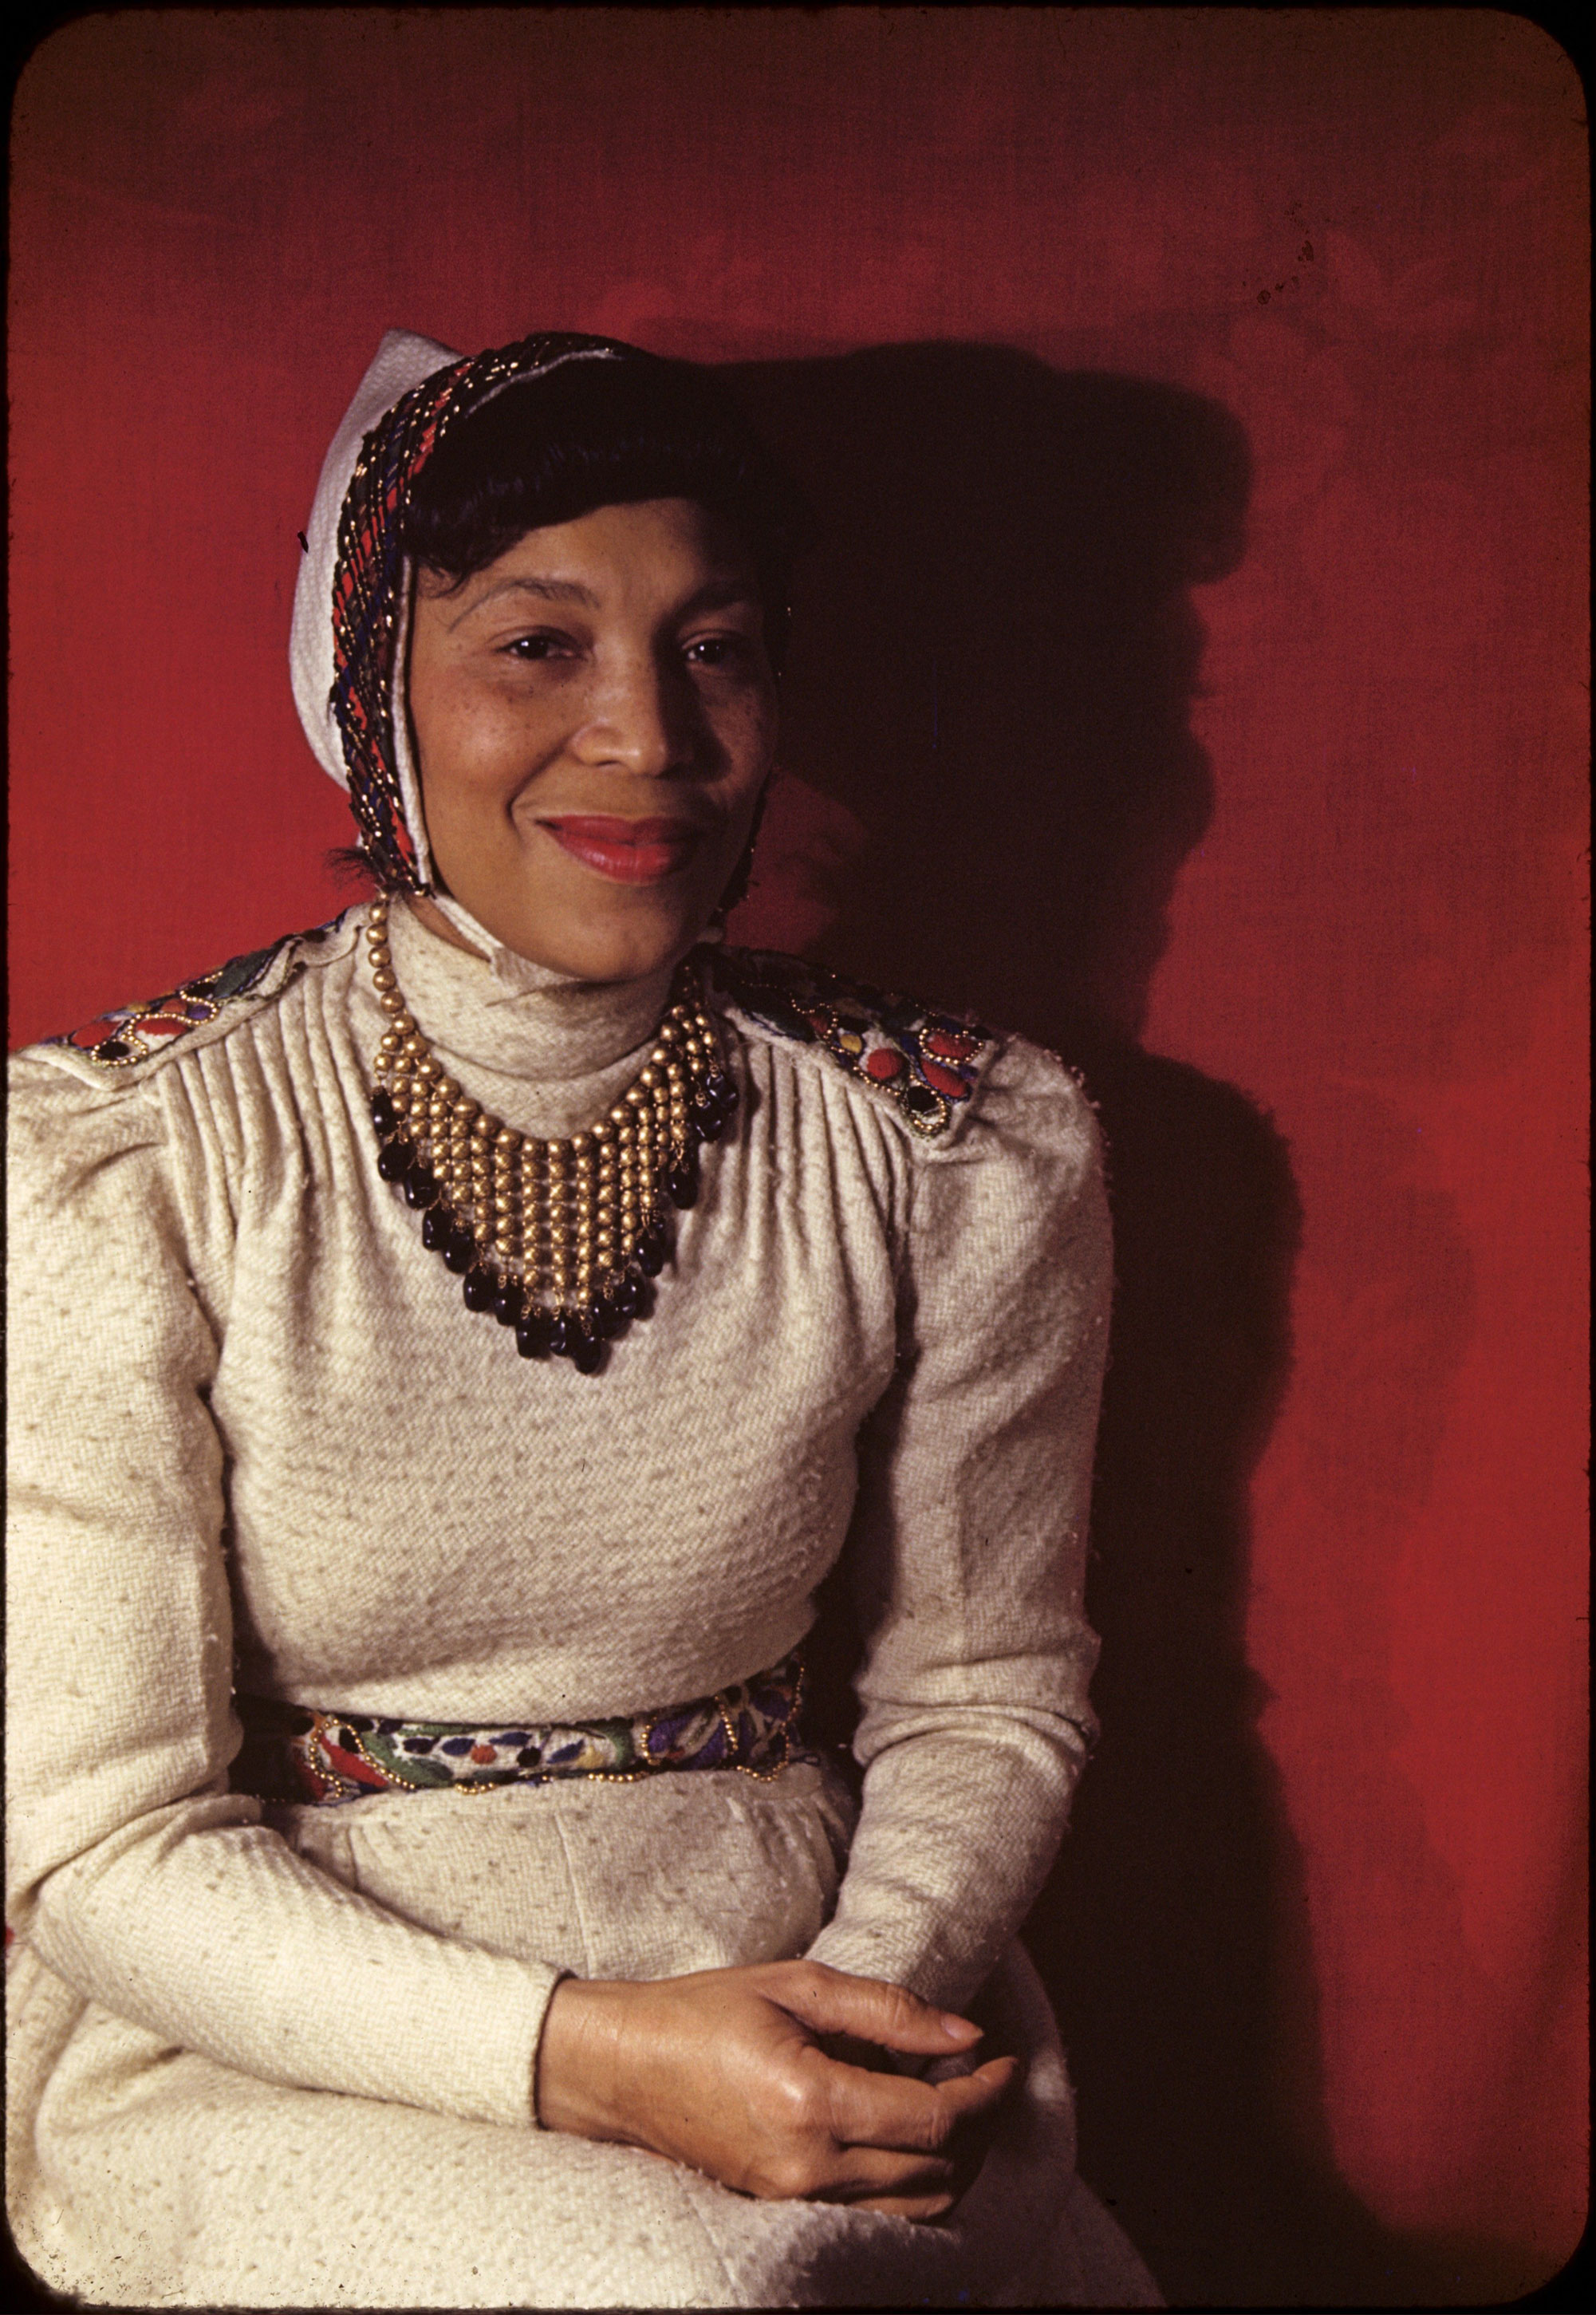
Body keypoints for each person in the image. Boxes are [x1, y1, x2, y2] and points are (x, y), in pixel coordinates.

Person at [6, 328, 1161, 2308]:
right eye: (536, 645)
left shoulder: (952, 1140)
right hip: (291, 2031)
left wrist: (851, 2024)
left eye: (712, 647)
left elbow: (981, 1685)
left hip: (809, 1988)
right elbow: (96, 1843)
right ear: (373, 688)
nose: (643, 735)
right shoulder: (120, 1157)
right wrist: (598, 2060)